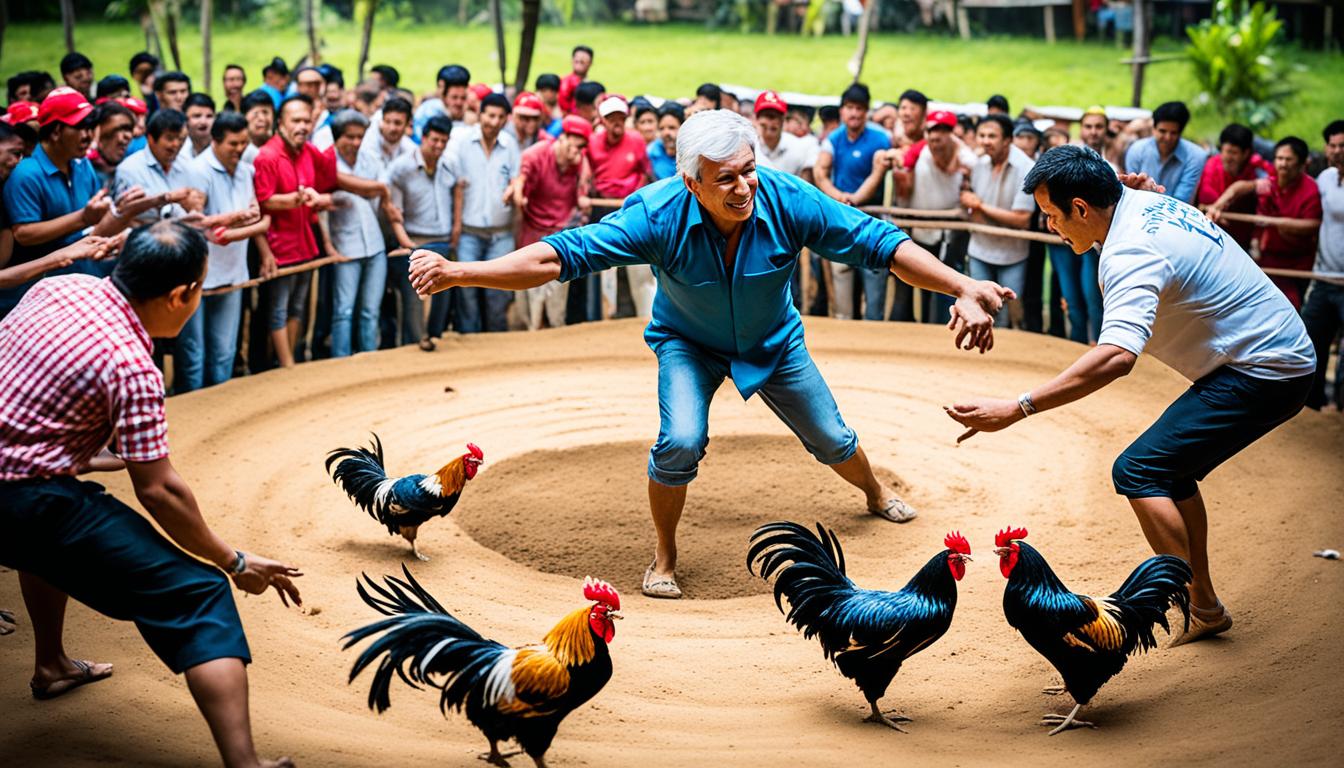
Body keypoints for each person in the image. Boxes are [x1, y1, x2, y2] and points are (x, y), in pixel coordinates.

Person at [409, 109, 1013, 598]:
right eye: (725, 178)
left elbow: (873, 241)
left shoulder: (785, 198)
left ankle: (874, 494)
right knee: (679, 442)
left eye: (748, 170)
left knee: (832, 436)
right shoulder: (655, 214)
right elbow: (557, 256)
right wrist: (463, 271)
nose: (743, 186)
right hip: (688, 344)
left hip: (774, 342)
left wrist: (961, 284)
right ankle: (665, 554)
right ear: (691, 182)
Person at [946, 145, 1315, 646]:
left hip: (1264, 371)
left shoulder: (1130, 252)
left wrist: (1018, 406)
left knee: (1138, 469)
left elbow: (1117, 356)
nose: (1050, 227)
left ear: (1081, 207)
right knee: (1169, 469)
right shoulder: (1135, 201)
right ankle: (1204, 605)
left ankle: (1197, 602)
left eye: (1053, 215)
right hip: (1265, 354)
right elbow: (1114, 193)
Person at [0, 220, 301, 768]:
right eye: (199, 289)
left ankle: (51, 665)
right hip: (25, 497)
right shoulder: (132, 364)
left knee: (47, 538)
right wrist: (232, 560)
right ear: (180, 295)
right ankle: (245, 764)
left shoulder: (59, 289)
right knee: (199, 594)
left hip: (21, 481)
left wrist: (67, 449)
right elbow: (160, 492)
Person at [2, 88, 169, 315]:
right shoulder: (26, 173)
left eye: (91, 128)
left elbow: (91, 229)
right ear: (56, 131)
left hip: (84, 283)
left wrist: (121, 215)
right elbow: (24, 233)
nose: (89, 136)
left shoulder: (82, 165)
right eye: (80, 128)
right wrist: (83, 218)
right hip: (36, 297)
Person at [175, 111, 270, 392]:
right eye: (233, 144)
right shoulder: (196, 170)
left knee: (224, 352)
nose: (240, 150)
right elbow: (197, 225)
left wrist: (230, 227)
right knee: (194, 354)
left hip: (233, 271)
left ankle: (221, 412)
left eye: (244, 143)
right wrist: (238, 219)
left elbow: (260, 218)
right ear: (215, 142)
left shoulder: (246, 170)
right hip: (198, 275)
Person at [253, 94, 339, 368]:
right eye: (296, 121)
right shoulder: (267, 156)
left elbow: (328, 176)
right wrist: (295, 199)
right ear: (281, 123)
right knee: (278, 308)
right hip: (279, 246)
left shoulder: (308, 150)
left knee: (298, 306)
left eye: (307, 120)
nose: (302, 126)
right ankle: (285, 362)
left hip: (306, 243)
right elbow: (262, 200)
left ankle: (289, 359)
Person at [1208, 137, 1321, 309]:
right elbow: (1241, 187)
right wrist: (1218, 205)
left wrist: (1276, 223)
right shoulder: (1271, 183)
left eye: (1288, 159)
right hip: (1266, 263)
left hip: (1294, 267)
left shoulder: (1310, 189)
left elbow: (1313, 225)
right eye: (1279, 159)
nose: (1282, 164)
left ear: (1302, 163)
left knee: (1289, 311)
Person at [890, 110, 976, 326]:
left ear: (951, 134)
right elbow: (904, 168)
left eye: (942, 132)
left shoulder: (965, 156)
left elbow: (972, 167)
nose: (935, 139)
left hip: (949, 229)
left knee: (945, 282)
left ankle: (940, 326)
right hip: (919, 227)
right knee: (915, 279)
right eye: (932, 132)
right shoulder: (920, 150)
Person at [814, 83, 890, 320]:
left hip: (873, 224)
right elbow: (820, 172)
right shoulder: (833, 139)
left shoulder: (881, 139)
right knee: (842, 292)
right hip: (842, 223)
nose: (854, 113)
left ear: (866, 111)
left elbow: (877, 175)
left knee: (874, 295)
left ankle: (876, 343)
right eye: (849, 107)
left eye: (859, 108)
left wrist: (855, 199)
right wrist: (839, 196)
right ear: (842, 111)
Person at [385, 115, 462, 350]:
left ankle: (434, 339)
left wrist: (457, 225)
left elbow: (458, 189)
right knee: (416, 301)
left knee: (442, 300)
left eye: (443, 141)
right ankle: (415, 343)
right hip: (414, 240)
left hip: (442, 239)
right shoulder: (401, 168)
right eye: (434, 140)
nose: (438, 146)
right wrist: (407, 244)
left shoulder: (449, 163)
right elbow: (393, 211)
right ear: (424, 137)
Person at [513, 116, 593, 330]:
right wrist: (519, 194)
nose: (577, 152)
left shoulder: (579, 163)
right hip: (531, 233)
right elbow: (521, 180)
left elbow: (582, 193)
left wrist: (582, 193)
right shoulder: (535, 154)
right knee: (529, 307)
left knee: (556, 306)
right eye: (575, 146)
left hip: (559, 236)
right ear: (562, 138)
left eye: (581, 148)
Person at [327, 110, 392, 357]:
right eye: (349, 137)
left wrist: (375, 190)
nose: (355, 142)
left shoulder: (370, 159)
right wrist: (374, 189)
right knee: (343, 311)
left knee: (370, 310)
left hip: (374, 245)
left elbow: (383, 193)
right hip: (344, 246)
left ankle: (369, 359)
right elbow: (379, 189)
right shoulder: (327, 163)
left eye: (359, 137)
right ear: (337, 137)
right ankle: (341, 362)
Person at [961, 113, 1035, 326]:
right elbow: (972, 209)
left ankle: (1003, 356)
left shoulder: (1025, 168)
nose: (985, 141)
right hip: (979, 249)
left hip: (1012, 254)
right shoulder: (979, 165)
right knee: (978, 306)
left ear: (1007, 139)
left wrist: (980, 206)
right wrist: (973, 204)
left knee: (1007, 311)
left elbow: (1022, 219)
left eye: (992, 136)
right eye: (982, 135)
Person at [455, 93, 521, 333]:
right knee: (466, 292)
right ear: (480, 114)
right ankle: (470, 342)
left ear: (506, 119)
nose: (494, 121)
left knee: (499, 293)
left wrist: (514, 188)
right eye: (490, 115)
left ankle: (497, 345)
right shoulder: (461, 142)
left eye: (500, 117)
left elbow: (517, 177)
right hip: (468, 233)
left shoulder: (510, 145)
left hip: (500, 234)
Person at [587, 95, 654, 320]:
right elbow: (587, 177)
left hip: (632, 208)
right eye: (611, 118)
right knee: (603, 268)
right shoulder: (593, 142)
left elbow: (647, 173)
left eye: (620, 117)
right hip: (602, 208)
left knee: (640, 269)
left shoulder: (635, 140)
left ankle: (645, 318)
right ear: (602, 120)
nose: (616, 122)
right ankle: (604, 319)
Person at [1300, 120, 1344, 411]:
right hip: (1323, 278)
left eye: (1342, 146)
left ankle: (1340, 410)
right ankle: (1309, 408)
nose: (1337, 151)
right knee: (1310, 345)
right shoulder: (1325, 178)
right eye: (1332, 145)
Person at [112, 109, 202, 227]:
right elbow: (121, 217)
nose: (176, 144)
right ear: (151, 139)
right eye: (170, 138)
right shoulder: (128, 170)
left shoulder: (188, 165)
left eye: (181, 139)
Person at [1195, 123, 1270, 250]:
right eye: (1226, 151)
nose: (1228, 157)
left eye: (1233, 153)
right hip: (1212, 237)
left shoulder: (1257, 169)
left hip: (1243, 241)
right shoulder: (1211, 166)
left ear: (1246, 153)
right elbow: (1206, 198)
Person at [1123, 101, 1204, 204]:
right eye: (1162, 131)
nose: (1167, 138)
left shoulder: (1195, 156)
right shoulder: (1136, 150)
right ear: (1154, 129)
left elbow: (1182, 200)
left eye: (1173, 133)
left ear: (1181, 132)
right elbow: (1130, 192)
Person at [753, 91, 816, 183]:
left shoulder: (799, 147)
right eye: (766, 116)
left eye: (774, 117)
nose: (770, 123)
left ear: (783, 120)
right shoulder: (750, 148)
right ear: (757, 119)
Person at [413, 64, 470, 142]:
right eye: (454, 97)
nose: (459, 102)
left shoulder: (469, 113)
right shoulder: (428, 111)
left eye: (463, 98)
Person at [87, 101, 136, 188]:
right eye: (120, 129)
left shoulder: (130, 171)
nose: (128, 136)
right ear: (97, 131)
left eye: (129, 130)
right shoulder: (78, 170)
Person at [648, 102, 684, 181]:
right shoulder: (652, 153)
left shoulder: (692, 154)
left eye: (671, 128)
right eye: (661, 128)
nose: (666, 133)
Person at [239, 90, 274, 168]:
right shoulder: (238, 150)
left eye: (265, 112)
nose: (261, 118)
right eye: (256, 113)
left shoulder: (281, 147)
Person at [558, 45, 594, 116]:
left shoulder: (592, 86)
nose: (580, 60)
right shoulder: (563, 82)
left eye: (583, 61)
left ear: (590, 63)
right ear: (572, 60)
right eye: (577, 60)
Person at [179, 93, 216, 161]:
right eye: (197, 116)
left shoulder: (223, 148)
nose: (203, 122)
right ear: (185, 119)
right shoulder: (178, 150)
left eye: (209, 116)